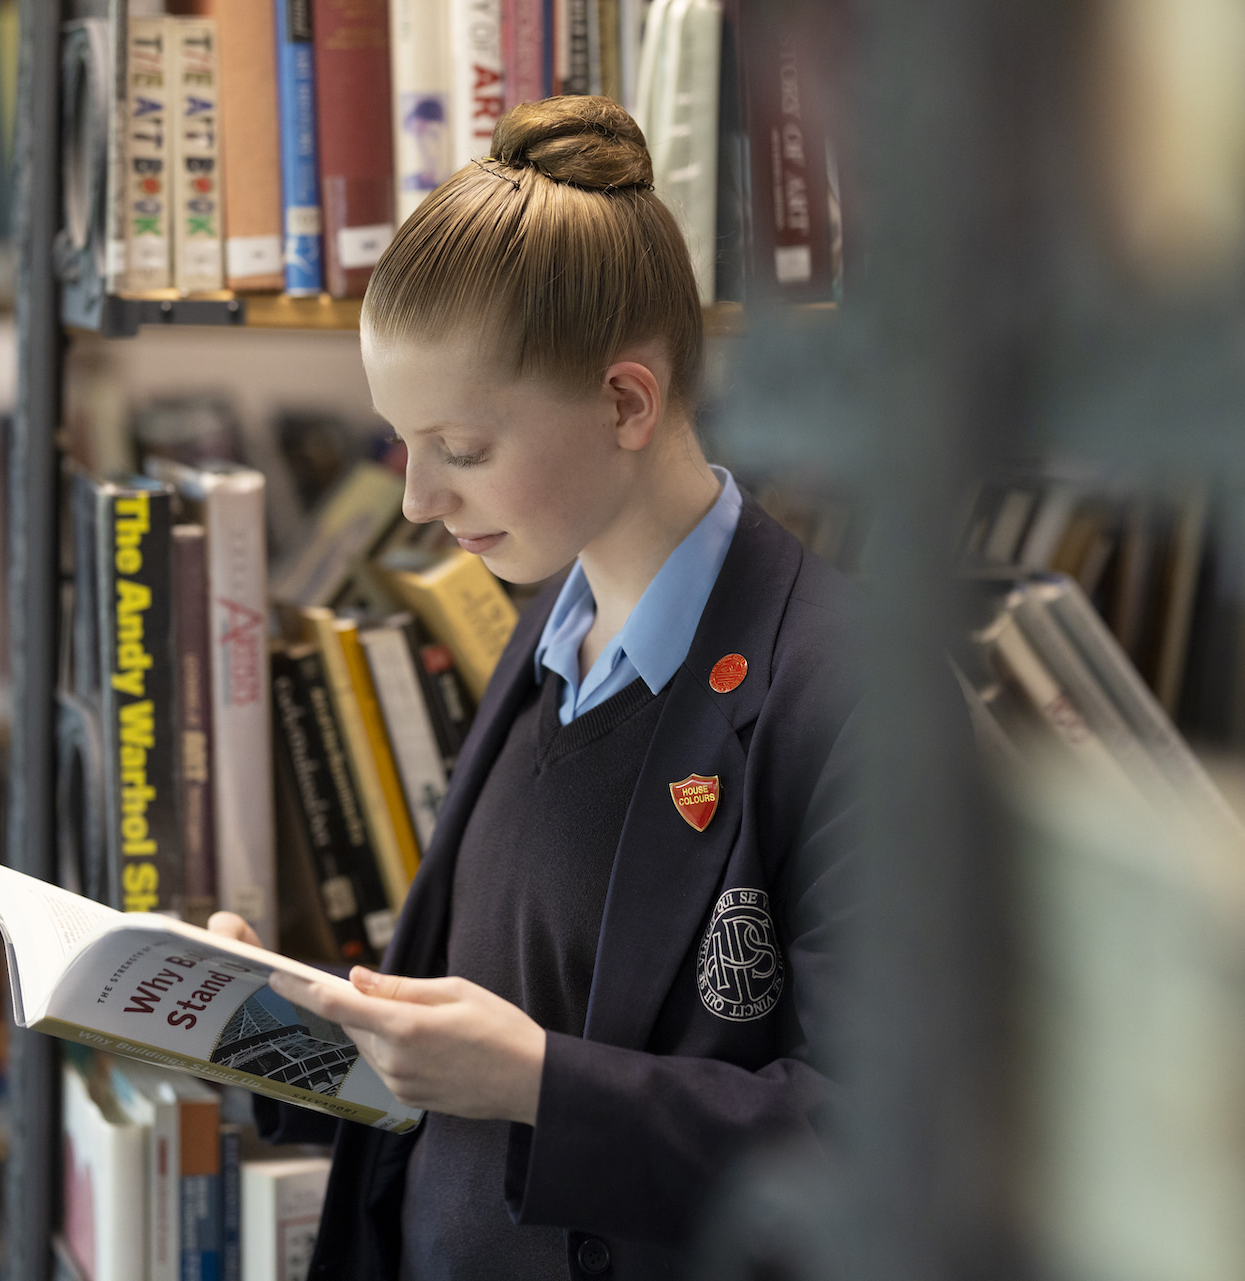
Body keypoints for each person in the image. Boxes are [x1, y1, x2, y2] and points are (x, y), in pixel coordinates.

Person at [207, 95, 863, 1281]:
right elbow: (474, 1049)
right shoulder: (541, 639)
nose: (416, 501)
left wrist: (539, 1086)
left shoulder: (845, 692)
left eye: (460, 449)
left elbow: (878, 1147)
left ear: (626, 402)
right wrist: (281, 1032)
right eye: (402, 445)